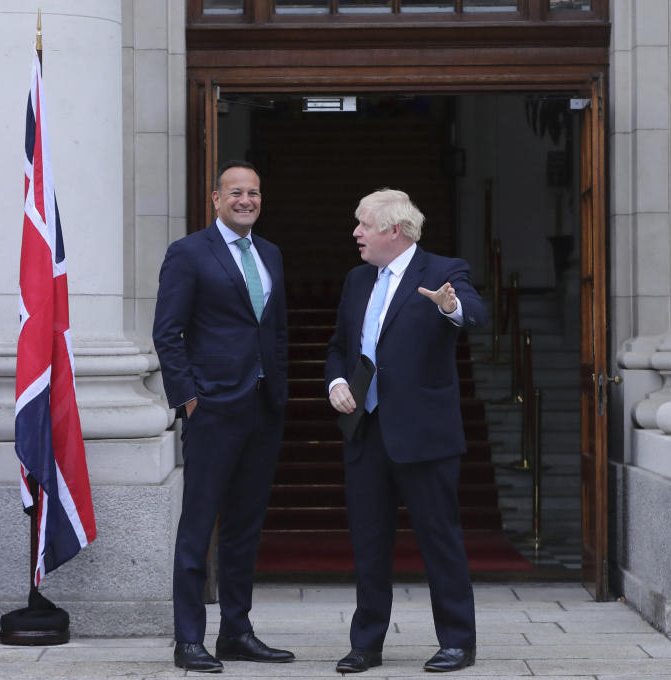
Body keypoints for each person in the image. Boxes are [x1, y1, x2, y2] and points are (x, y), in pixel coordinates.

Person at [325, 189, 486, 674]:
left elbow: (474, 314)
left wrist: (449, 306)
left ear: (393, 230)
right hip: (366, 431)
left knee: (440, 538)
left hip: (423, 434)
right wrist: (335, 381)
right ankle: (366, 644)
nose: (355, 232)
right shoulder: (357, 280)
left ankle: (458, 643)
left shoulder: (443, 271)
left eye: (363, 224)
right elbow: (338, 346)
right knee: (369, 542)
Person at [153, 160, 293, 673]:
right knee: (197, 527)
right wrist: (188, 398)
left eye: (253, 193)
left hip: (262, 409)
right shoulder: (189, 253)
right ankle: (189, 639)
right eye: (235, 192)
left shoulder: (272, 254)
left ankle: (237, 631)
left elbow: (275, 330)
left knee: (244, 527)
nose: (246, 200)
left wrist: (278, 388)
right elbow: (167, 331)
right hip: (211, 408)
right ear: (215, 199)